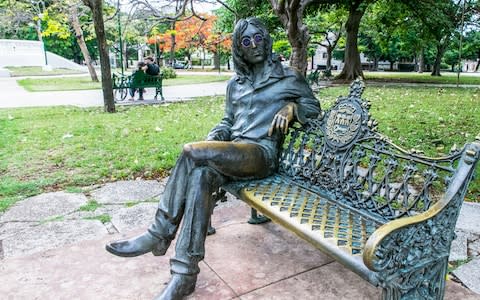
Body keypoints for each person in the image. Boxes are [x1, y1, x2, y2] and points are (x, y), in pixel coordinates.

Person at [106, 17, 321, 300]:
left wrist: (293, 108)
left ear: (267, 42)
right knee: (200, 176)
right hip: (233, 152)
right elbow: (228, 121)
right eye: (246, 41)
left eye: (258, 38)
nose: (254, 45)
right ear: (239, 50)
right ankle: (184, 275)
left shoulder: (288, 77)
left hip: (260, 156)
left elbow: (314, 109)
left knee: (192, 151)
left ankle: (158, 233)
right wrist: (216, 134)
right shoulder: (236, 84)